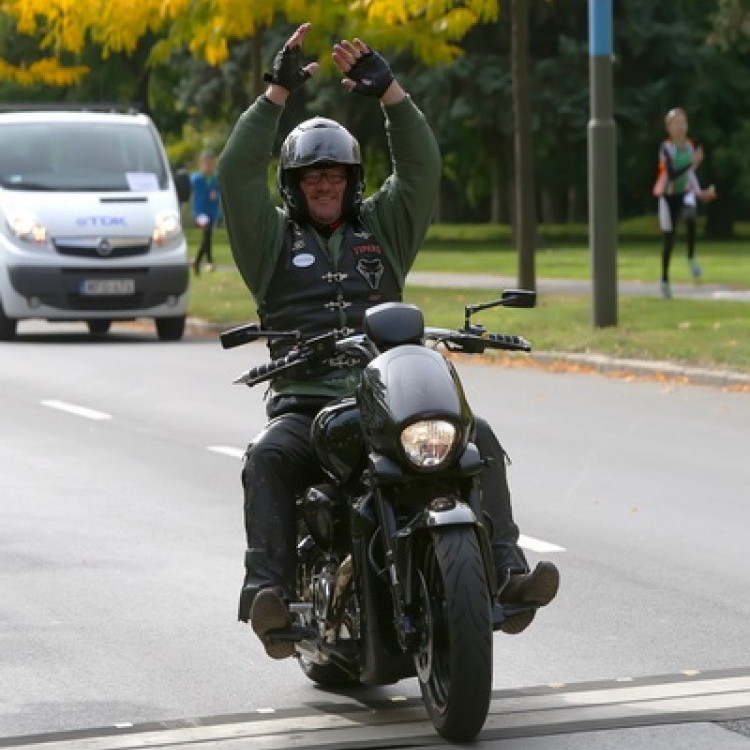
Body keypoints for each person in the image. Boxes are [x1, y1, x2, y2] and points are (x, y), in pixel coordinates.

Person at [217, 22, 559, 660]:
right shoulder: (268, 242)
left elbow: (422, 167)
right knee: (265, 456)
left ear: (353, 179)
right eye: (312, 177)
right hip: (306, 404)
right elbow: (237, 172)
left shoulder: (384, 229)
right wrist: (274, 95)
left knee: (475, 433)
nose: (325, 186)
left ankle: (507, 573)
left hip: (386, 394)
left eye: (337, 176)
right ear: (293, 185)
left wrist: (392, 95)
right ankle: (269, 594)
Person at [653, 107, 717, 299]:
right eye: (676, 123)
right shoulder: (666, 148)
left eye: (683, 122)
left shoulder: (689, 146)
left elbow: (689, 174)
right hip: (667, 196)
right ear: (669, 128)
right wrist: (692, 162)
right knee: (669, 241)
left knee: (690, 217)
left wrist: (700, 192)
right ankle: (664, 280)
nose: (681, 126)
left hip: (684, 192)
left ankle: (691, 257)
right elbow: (672, 174)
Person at [190, 149, 222, 274]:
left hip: (212, 213)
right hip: (200, 212)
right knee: (207, 231)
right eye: (206, 163)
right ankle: (208, 261)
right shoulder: (196, 179)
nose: (209, 166)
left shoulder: (216, 180)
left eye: (211, 163)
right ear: (202, 163)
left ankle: (199, 262)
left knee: (207, 236)